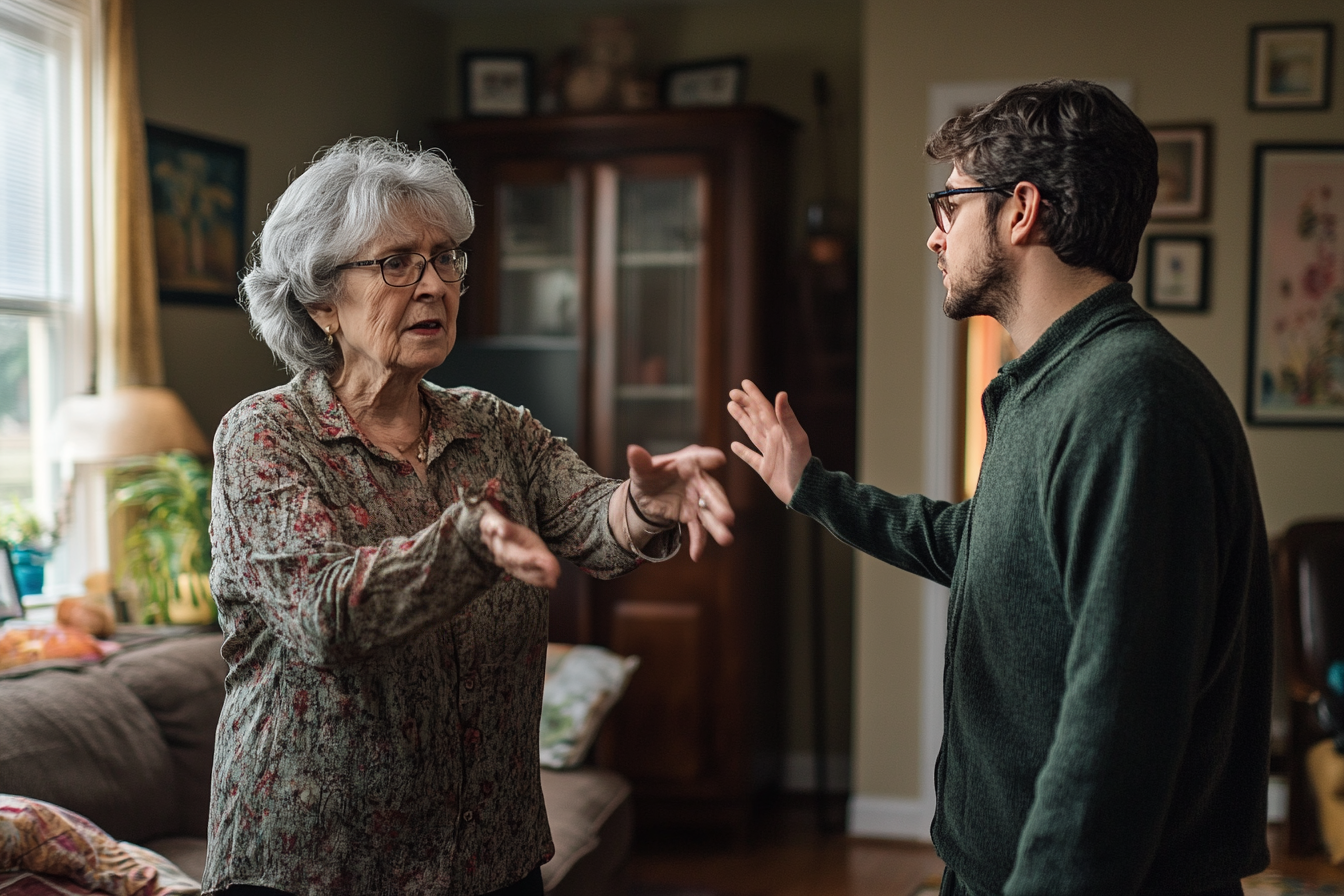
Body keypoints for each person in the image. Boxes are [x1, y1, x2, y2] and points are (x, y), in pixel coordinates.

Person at [729, 80, 1272, 896]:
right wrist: (812, 487)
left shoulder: (1130, 404)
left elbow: (1116, 729)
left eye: (949, 207)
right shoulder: (1057, 383)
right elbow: (986, 545)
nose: (933, 237)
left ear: (1021, 210)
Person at [204, 137, 734, 896]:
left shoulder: (493, 425)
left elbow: (589, 516)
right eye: (397, 263)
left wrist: (643, 506)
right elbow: (324, 616)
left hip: (488, 853)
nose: (433, 285)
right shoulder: (264, 435)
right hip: (316, 863)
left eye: (446, 257)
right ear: (321, 300)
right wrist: (468, 542)